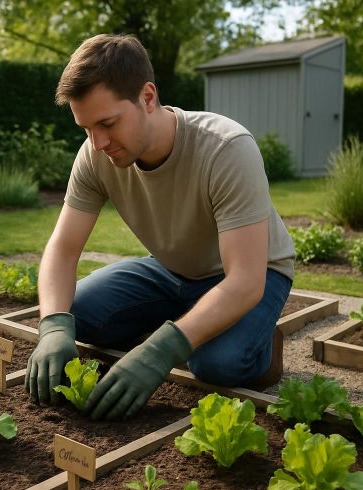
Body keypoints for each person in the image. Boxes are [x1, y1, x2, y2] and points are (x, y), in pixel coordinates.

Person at [24, 34, 295, 421]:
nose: (97, 142)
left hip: (252, 276)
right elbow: (62, 250)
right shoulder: (95, 154)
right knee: (74, 313)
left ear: (147, 97)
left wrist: (160, 352)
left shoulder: (225, 148)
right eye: (85, 128)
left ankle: (262, 345)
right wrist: (52, 327)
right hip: (171, 269)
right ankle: (188, 321)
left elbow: (245, 281)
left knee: (217, 365)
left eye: (107, 123)